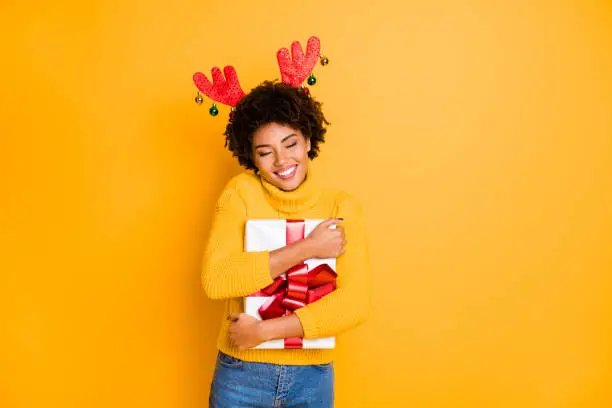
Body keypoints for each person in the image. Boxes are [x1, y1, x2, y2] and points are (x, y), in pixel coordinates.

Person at [202, 80, 372, 407]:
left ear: (308, 139)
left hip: (312, 378)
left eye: (290, 144)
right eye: (265, 152)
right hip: (242, 374)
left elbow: (356, 302)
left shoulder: (340, 207)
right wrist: (307, 248)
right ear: (250, 157)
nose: (281, 161)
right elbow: (216, 279)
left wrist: (264, 332)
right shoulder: (240, 194)